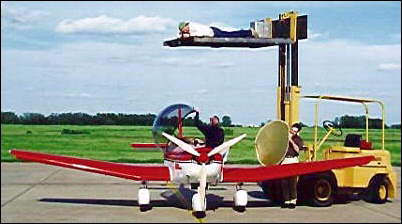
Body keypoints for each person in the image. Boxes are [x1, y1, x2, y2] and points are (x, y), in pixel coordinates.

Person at [280, 122, 304, 209]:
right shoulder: (283, 139)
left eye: (294, 131)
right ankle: (286, 200)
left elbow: (297, 150)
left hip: (293, 160)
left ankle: (293, 201)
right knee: (284, 182)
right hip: (285, 159)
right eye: (291, 130)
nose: (292, 132)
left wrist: (291, 141)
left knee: (293, 182)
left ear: (297, 132)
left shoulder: (298, 139)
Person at [178, 21, 258, 39]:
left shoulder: (193, 27)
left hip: (213, 32)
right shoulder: (191, 27)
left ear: (185, 26)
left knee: (230, 35)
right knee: (230, 34)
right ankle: (247, 33)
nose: (184, 31)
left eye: (183, 30)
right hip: (213, 31)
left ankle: (248, 32)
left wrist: (189, 35)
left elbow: (199, 34)